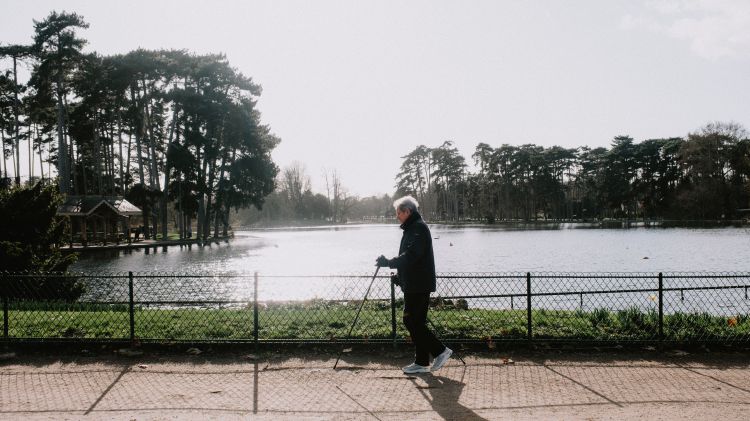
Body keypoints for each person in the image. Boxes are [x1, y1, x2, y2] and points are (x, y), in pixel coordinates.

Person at [376, 195, 452, 374]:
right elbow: (412, 258)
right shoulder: (413, 228)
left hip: (419, 284)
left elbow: (412, 255)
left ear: (407, 211)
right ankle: (422, 362)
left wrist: (389, 263)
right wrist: (400, 278)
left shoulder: (417, 228)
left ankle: (441, 351)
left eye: (398, 213)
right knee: (416, 322)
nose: (397, 216)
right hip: (415, 283)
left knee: (411, 321)